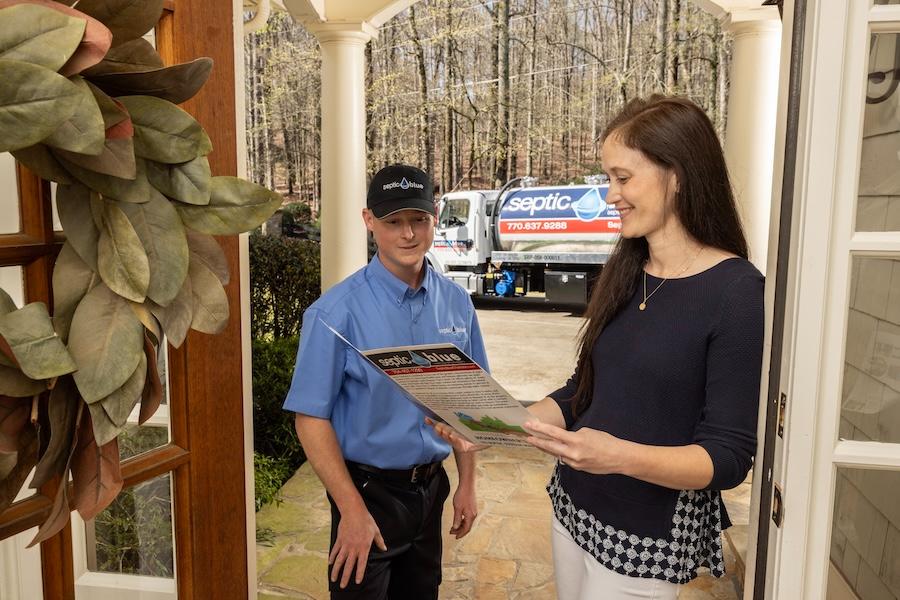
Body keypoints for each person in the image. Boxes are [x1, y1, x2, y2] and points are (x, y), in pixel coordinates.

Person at [432, 95, 764, 599]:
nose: (611, 195)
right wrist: (494, 427)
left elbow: (728, 457)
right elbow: (580, 393)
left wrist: (619, 456)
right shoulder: (627, 270)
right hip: (574, 505)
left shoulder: (736, 292)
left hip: (646, 536)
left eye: (623, 177)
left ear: (678, 174)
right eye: (609, 178)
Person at [283, 164, 486, 600]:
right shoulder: (334, 313)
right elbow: (309, 419)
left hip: (431, 490)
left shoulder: (457, 305)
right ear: (368, 221)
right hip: (368, 496)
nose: (408, 234)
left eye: (418, 220)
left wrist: (467, 483)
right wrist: (350, 510)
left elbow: (467, 404)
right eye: (393, 222)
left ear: (434, 218)